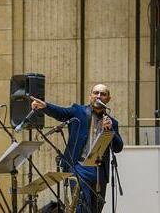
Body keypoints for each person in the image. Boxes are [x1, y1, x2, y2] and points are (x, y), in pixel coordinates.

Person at [31, 84, 123, 213]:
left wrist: (110, 129)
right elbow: (60, 113)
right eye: (95, 93)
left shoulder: (112, 122)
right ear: (90, 96)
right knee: (82, 208)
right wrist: (45, 106)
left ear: (108, 99)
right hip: (79, 166)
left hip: (100, 170)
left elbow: (118, 148)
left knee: (96, 208)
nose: (98, 96)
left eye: (103, 94)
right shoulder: (78, 111)